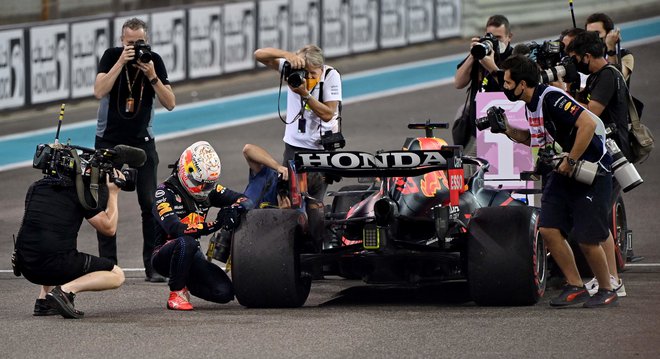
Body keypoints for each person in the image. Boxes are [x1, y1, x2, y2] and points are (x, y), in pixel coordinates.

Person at [497, 55, 617, 308]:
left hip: (590, 172)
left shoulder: (551, 98)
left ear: (522, 83)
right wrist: (507, 129)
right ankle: (575, 285)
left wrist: (571, 160)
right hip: (561, 174)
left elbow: (586, 124)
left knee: (587, 237)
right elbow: (536, 139)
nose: (505, 88)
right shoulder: (530, 104)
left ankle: (608, 289)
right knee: (548, 228)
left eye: (508, 83)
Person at [93, 18, 176, 282]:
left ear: (146, 40)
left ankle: (152, 266)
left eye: (140, 42)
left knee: (150, 203)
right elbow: (98, 91)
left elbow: (171, 103)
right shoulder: (110, 57)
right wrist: (120, 63)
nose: (136, 47)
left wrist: (152, 75)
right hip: (109, 140)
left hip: (142, 141)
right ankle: (109, 265)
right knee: (104, 202)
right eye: (130, 43)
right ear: (122, 41)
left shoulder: (154, 60)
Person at [14, 155, 126, 319]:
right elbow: (109, 229)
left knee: (50, 241)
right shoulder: (80, 192)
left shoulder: (36, 187)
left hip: (26, 265)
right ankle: (65, 292)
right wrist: (113, 193)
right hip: (53, 264)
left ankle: (44, 301)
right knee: (117, 275)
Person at [151, 141, 254, 311]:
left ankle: (184, 278)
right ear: (186, 172)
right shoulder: (164, 193)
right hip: (165, 255)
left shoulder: (208, 189)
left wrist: (234, 211)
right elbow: (175, 229)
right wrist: (215, 224)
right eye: (201, 183)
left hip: (192, 257)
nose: (204, 189)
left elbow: (246, 200)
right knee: (187, 241)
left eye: (209, 185)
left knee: (224, 293)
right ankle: (176, 293)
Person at [567, 30, 629, 297]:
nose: (573, 63)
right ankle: (611, 277)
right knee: (599, 217)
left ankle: (613, 280)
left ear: (587, 56)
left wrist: (566, 99)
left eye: (575, 58)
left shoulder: (607, 76)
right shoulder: (598, 76)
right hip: (603, 154)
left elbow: (591, 114)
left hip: (610, 156)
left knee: (599, 218)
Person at [254, 44, 342, 200]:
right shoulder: (291, 70)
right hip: (293, 147)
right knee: (291, 199)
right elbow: (259, 54)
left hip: (320, 149)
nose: (307, 79)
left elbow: (328, 114)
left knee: (314, 201)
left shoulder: (330, 76)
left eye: (313, 74)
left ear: (321, 68)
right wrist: (287, 55)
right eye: (304, 74)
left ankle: (315, 224)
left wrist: (304, 94)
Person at [452, 14, 514, 151]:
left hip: (507, 130)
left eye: (498, 38)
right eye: (490, 37)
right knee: (475, 170)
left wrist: (492, 67)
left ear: (509, 37)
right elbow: (458, 83)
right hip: (478, 129)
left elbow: (512, 89)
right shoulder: (480, 55)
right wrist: (473, 56)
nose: (494, 42)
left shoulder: (515, 58)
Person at [585, 13, 634, 84]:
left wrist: (611, 48)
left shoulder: (625, 54)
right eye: (589, 33)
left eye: (596, 33)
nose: (592, 37)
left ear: (609, 33)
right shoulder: (584, 55)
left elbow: (617, 79)